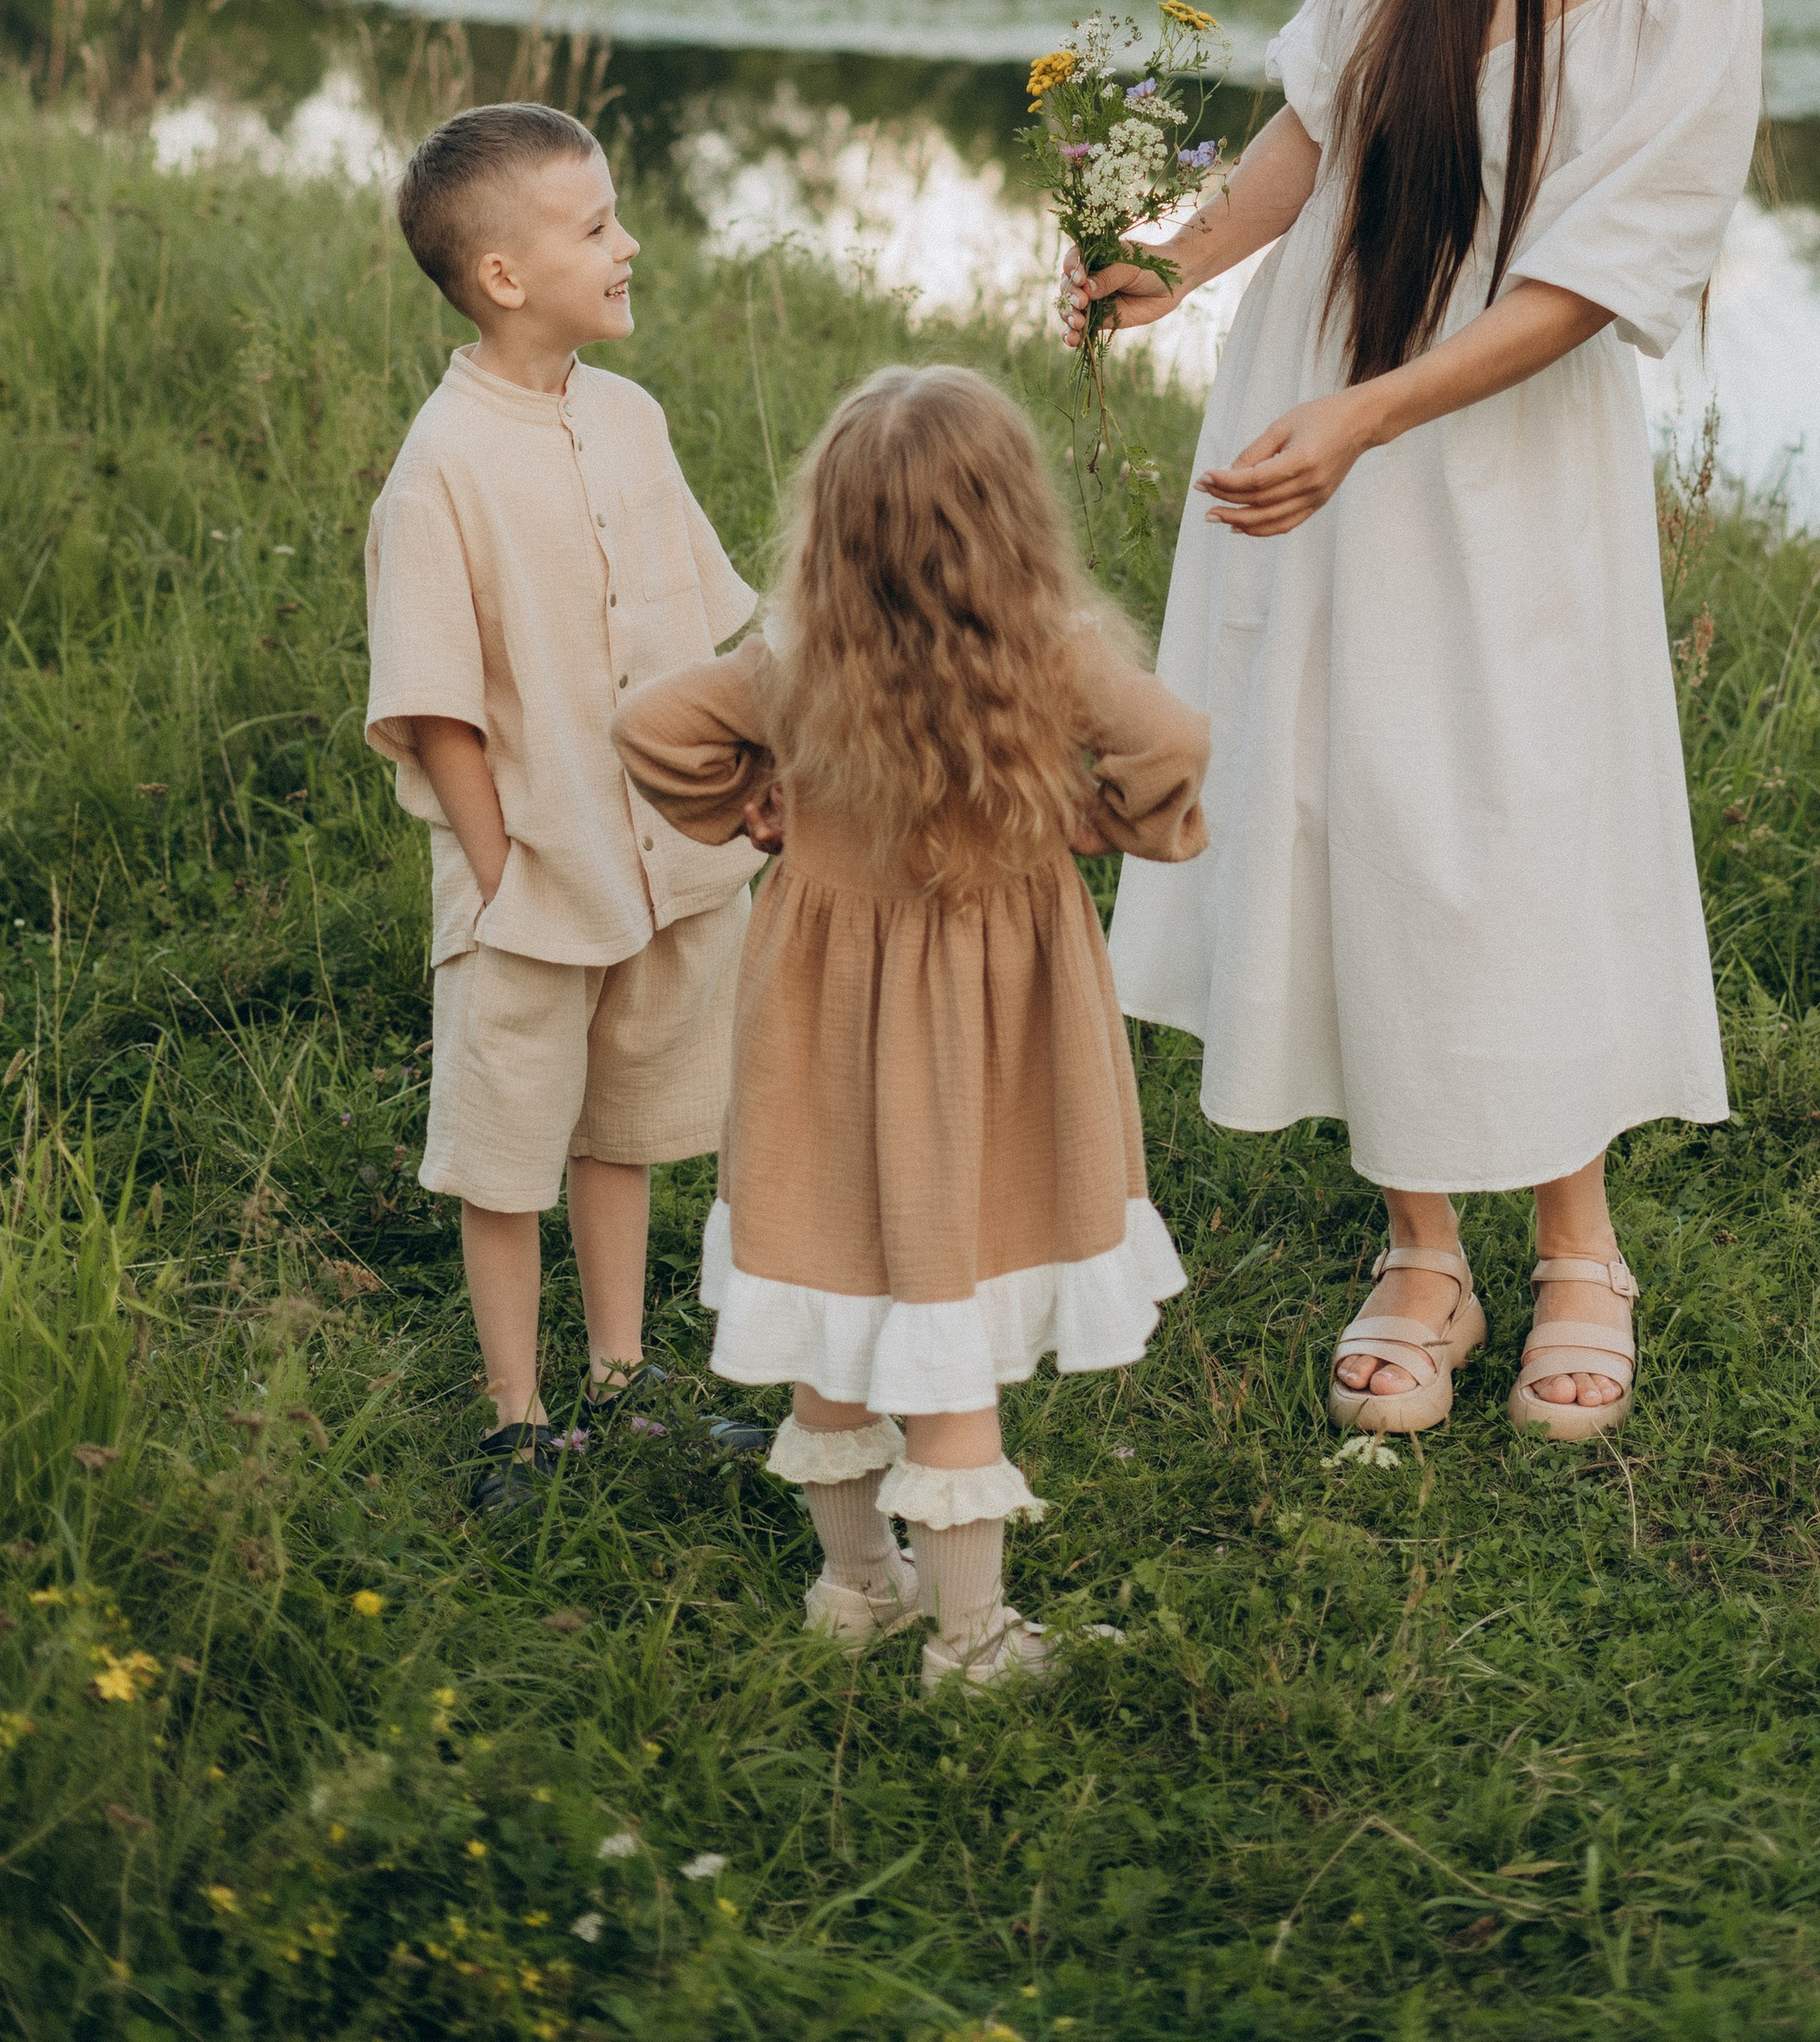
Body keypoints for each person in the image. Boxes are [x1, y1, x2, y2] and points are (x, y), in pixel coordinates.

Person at [1075, 0, 1763, 1442]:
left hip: (1482, 456)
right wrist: (1171, 261)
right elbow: (1313, 125)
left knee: (1508, 814)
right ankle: (1418, 1248)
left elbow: (1577, 287)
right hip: (1326, 414)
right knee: (1342, 797)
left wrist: (1369, 419)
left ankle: (1576, 1250)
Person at [615, 363, 1208, 1690]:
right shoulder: (1051, 660)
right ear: (1013, 524)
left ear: (830, 528)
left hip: (822, 1039)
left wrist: (752, 799)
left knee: (833, 1294)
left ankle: (854, 1586)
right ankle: (973, 1643)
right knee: (948, 1326)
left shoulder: (791, 665)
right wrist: (1090, 819)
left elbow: (649, 726)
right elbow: (1173, 745)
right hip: (987, 1050)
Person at [365, 103, 761, 1507]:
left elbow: (702, 642)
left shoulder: (633, 420)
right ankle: (516, 1419)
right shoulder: (443, 469)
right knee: (511, 1150)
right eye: (597, 226)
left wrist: (745, 791)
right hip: (531, 878)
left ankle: (621, 1375)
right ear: (505, 278)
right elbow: (437, 706)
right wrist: (501, 874)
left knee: (630, 1125)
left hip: (659, 859)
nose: (628, 243)